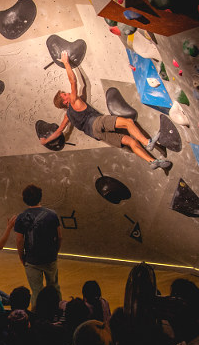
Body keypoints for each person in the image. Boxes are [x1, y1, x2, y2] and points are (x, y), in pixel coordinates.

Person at [42, 51, 171, 171]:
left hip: (97, 134)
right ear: (65, 102)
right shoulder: (74, 102)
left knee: (131, 142)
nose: (68, 93)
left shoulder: (68, 116)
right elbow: (73, 82)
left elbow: (59, 131)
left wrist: (46, 141)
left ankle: (153, 161)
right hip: (97, 122)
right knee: (128, 122)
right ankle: (148, 142)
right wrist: (66, 62)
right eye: (65, 94)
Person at [13, 184, 63, 300]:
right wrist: (55, 252)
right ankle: (58, 311)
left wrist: (22, 257)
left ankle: (37, 315)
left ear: (25, 199)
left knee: (36, 291)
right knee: (54, 287)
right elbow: (59, 237)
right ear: (40, 197)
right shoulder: (52, 215)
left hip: (32, 260)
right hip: (50, 258)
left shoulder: (21, 217)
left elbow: (20, 240)